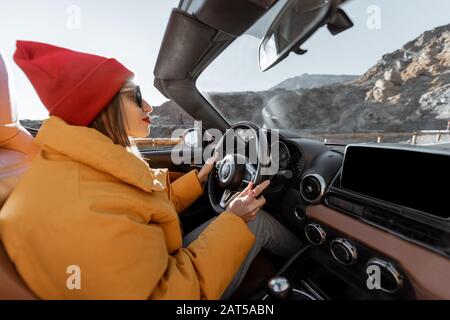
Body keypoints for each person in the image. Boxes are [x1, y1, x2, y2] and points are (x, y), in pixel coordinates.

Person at [0, 41, 302, 300]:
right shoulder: (81, 206)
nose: (149, 107)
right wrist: (234, 219)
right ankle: (317, 268)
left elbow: (139, 205)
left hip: (161, 262)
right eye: (135, 96)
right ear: (101, 108)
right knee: (256, 222)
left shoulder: (79, 164)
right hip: (170, 281)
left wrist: (197, 179)